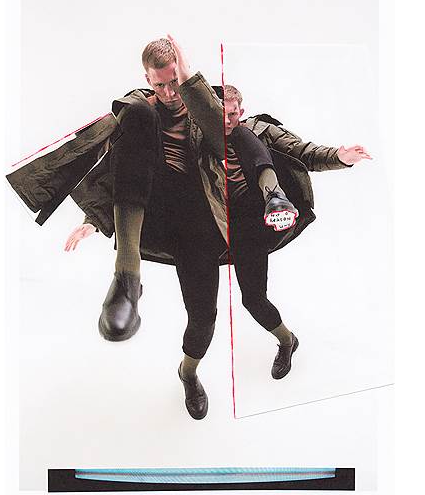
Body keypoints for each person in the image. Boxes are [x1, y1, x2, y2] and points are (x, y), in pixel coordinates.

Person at [64, 81, 372, 381]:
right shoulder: (191, 137)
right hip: (200, 231)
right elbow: (137, 177)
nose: (226, 121)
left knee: (255, 300)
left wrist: (339, 157)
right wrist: (94, 220)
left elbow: (303, 151)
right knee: (201, 319)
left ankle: (287, 340)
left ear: (241, 111)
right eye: (218, 114)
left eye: (232, 114)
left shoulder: (256, 131)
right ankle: (188, 373)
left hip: (247, 226)